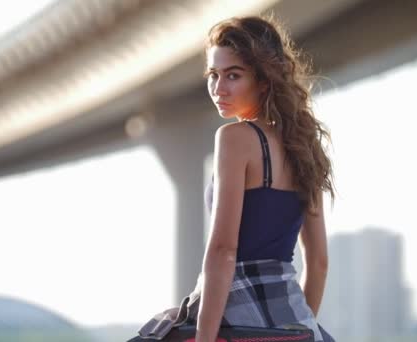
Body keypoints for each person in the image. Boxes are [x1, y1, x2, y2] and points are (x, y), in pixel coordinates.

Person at [132, 15, 336, 342]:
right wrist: (296, 330)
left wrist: (205, 338)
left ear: (264, 80)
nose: (218, 88)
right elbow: (319, 261)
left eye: (233, 76)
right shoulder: (305, 146)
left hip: (231, 303)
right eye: (214, 75)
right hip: (292, 313)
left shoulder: (235, 138)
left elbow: (224, 250)